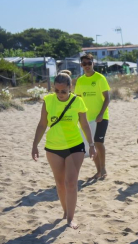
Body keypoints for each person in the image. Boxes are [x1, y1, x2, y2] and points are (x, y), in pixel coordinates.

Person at [31, 70, 96, 229]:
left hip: (75, 146)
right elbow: (42, 124)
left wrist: (92, 145)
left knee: (71, 183)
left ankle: (70, 219)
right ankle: (66, 212)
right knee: (60, 184)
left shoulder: (78, 101)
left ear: (70, 87)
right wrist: (34, 145)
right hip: (53, 147)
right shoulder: (48, 101)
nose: (60, 94)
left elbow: (85, 125)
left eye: (64, 91)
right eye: (57, 91)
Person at [75, 54, 111, 180]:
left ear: (93, 63)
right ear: (81, 65)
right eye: (84, 64)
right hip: (86, 119)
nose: (87, 66)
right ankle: (99, 171)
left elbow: (107, 98)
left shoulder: (100, 78)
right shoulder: (80, 80)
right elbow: (78, 100)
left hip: (101, 117)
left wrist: (101, 114)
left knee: (98, 142)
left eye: (89, 63)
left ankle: (103, 168)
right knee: (92, 144)